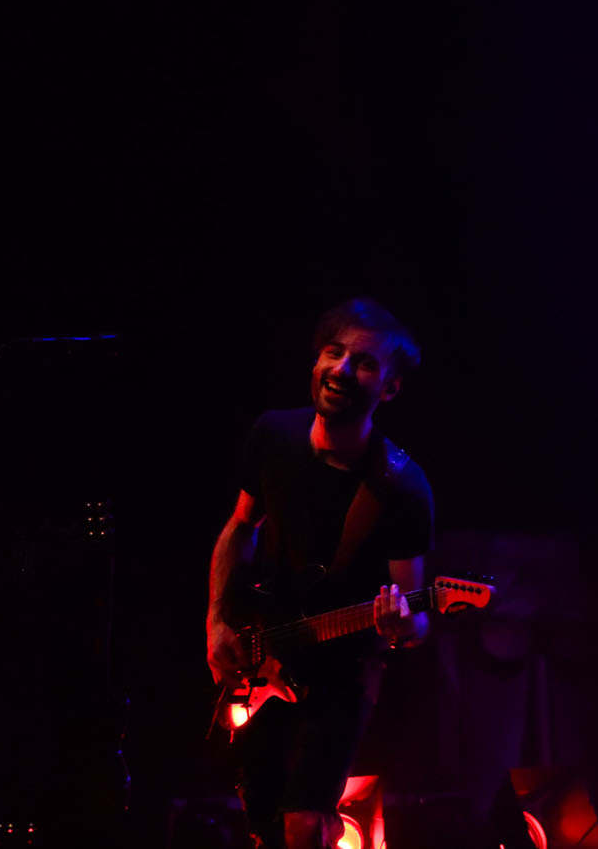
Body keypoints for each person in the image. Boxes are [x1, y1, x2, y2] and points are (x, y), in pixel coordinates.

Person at [207, 298, 434, 849]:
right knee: (260, 820)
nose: (341, 369)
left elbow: (414, 613)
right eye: (334, 353)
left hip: (340, 677)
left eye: (364, 362)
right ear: (315, 362)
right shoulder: (273, 435)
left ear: (390, 388)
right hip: (263, 653)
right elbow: (240, 526)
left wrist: (402, 627)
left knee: (304, 824)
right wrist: (216, 623)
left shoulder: (402, 486)